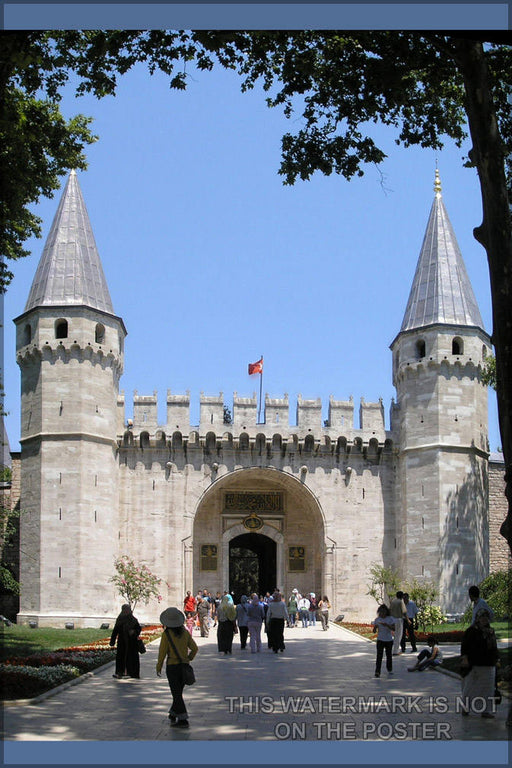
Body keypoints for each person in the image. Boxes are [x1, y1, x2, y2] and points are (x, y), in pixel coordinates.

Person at [157, 607, 198, 729]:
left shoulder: (167, 634)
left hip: (172, 667)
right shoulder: (185, 633)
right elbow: (195, 648)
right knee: (178, 692)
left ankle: (183, 719)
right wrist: (189, 658)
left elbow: (162, 652)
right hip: (184, 665)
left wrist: (159, 666)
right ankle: (173, 713)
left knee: (176, 694)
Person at [459, 608, 499, 717]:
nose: (484, 619)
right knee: (470, 687)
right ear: (477, 618)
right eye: (482, 617)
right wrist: (465, 658)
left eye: (486, 617)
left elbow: (494, 647)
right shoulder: (471, 631)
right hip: (474, 664)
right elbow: (465, 646)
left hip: (488, 664)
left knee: (488, 688)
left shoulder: (490, 631)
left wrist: (497, 659)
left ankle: (486, 711)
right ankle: (465, 708)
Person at [109, 603, 142, 679]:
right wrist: (112, 641)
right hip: (122, 642)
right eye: (125, 610)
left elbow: (138, 629)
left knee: (132, 658)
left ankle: (133, 673)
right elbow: (115, 630)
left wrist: (134, 632)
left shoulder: (133, 620)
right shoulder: (120, 619)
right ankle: (120, 672)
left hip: (132, 643)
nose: (126, 611)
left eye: (127, 610)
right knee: (121, 657)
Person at [372, 604, 395, 678]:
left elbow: (394, 628)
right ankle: (377, 671)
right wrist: (375, 627)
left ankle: (389, 668)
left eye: (383, 612)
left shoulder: (390, 619)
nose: (382, 613)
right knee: (379, 656)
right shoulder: (377, 620)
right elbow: (374, 631)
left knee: (388, 655)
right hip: (380, 639)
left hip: (388, 639)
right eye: (381, 612)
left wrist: (387, 625)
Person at [389, 591, 407, 655]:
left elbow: (390, 610)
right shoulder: (400, 601)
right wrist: (408, 619)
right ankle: (396, 651)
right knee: (398, 635)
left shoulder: (393, 601)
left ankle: (394, 650)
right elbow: (404, 611)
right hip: (399, 619)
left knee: (394, 635)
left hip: (393, 619)